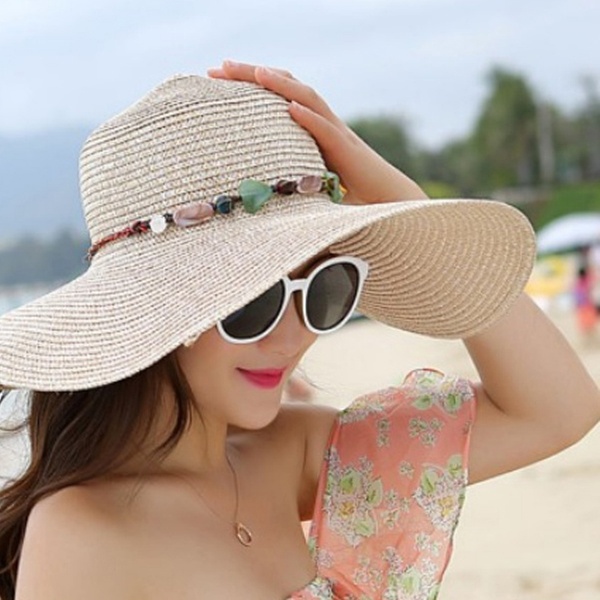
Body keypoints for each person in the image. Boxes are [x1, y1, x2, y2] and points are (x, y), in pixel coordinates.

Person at [0, 60, 598, 600]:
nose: (291, 339)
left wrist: (394, 194)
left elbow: (558, 409)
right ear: (158, 307)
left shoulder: (291, 454)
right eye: (254, 301)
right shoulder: (83, 530)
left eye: (324, 290)